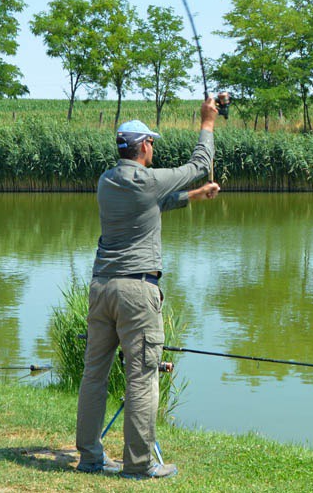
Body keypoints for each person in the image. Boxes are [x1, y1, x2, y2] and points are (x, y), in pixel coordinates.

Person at [75, 97, 222, 479]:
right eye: (151, 143)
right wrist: (207, 122)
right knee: (142, 375)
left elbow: (152, 205)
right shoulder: (149, 180)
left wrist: (194, 195)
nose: (153, 148)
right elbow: (199, 164)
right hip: (137, 292)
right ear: (142, 146)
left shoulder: (106, 181)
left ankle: (89, 457)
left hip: (101, 288)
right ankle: (138, 465)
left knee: (94, 376)